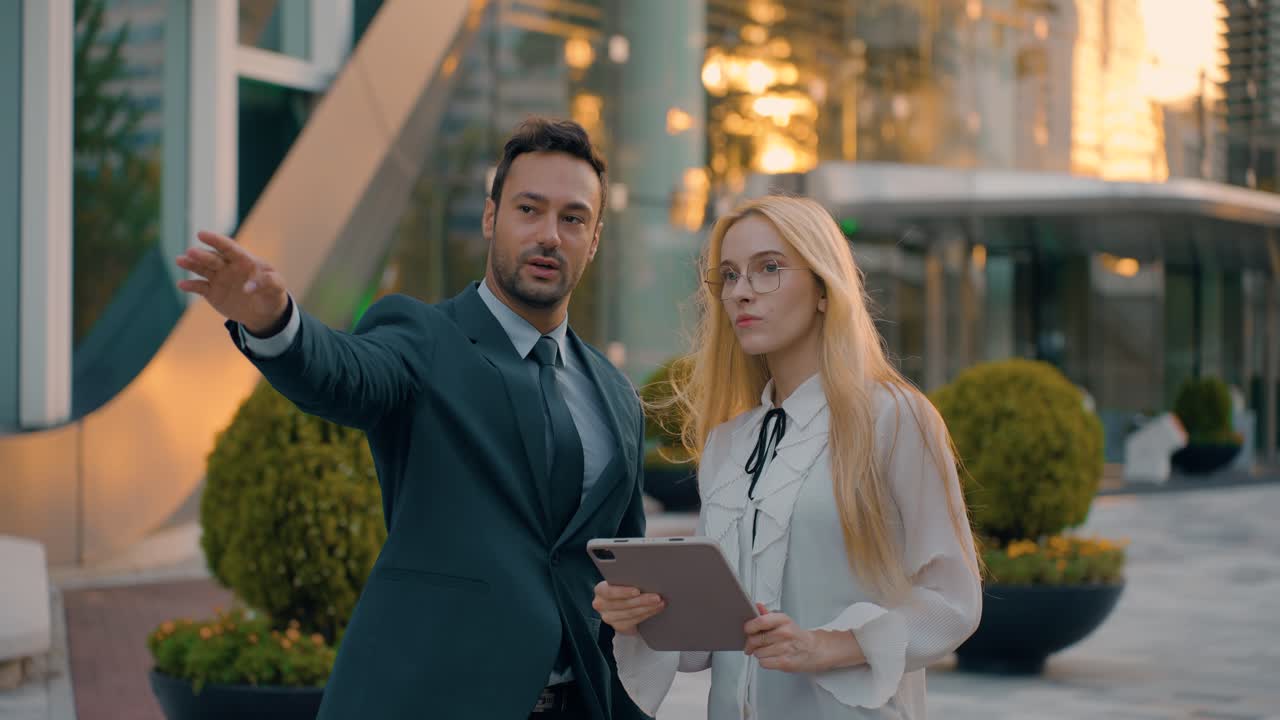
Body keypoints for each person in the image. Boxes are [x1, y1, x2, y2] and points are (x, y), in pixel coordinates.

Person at [176, 118, 650, 720]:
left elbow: (619, 569)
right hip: (433, 696)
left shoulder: (615, 395)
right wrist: (277, 325)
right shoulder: (424, 337)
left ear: (595, 237)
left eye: (573, 218)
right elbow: (344, 373)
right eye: (528, 209)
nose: (549, 235)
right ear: (490, 218)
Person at [592, 195, 982, 719]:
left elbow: (953, 604)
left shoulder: (895, 419)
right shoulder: (729, 442)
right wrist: (640, 614)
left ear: (823, 288)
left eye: (768, 269)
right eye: (729, 276)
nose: (741, 292)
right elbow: (707, 643)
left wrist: (826, 645)